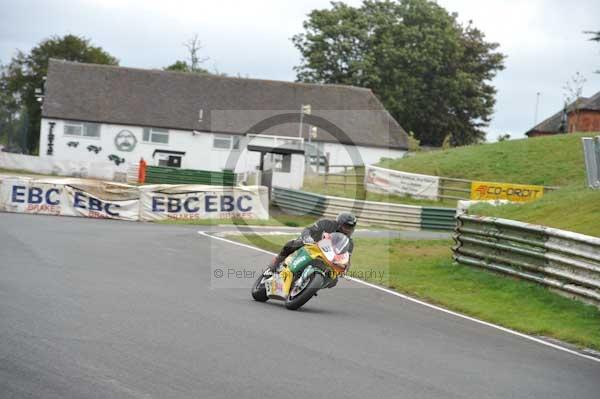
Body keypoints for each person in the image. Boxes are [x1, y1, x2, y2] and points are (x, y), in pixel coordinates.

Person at [267, 212, 357, 272]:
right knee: (292, 244)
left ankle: (311, 284)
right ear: (339, 224)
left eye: (350, 227)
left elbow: (347, 258)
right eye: (346, 226)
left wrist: (345, 267)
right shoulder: (326, 223)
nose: (348, 230)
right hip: (312, 245)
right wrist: (307, 237)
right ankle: (277, 261)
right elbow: (309, 229)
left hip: (327, 257)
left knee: (334, 279)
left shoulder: (349, 243)